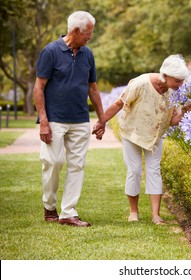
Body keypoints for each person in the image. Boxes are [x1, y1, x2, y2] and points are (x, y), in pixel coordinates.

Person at [92, 54, 191, 225]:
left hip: (154, 136)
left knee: (154, 171)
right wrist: (102, 121)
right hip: (133, 132)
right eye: (178, 80)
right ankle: (133, 212)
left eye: (182, 81)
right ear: (166, 75)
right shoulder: (141, 83)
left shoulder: (173, 92)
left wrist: (184, 111)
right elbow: (119, 103)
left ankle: (156, 215)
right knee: (135, 170)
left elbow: (172, 121)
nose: (180, 84)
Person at [33, 11, 106, 227]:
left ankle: (68, 213)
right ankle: (49, 205)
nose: (90, 37)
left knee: (77, 165)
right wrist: (44, 121)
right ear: (75, 31)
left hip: (80, 119)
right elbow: (39, 87)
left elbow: (93, 88)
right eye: (88, 33)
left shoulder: (88, 54)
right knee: (53, 162)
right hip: (55, 119)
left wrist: (102, 119)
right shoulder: (51, 51)